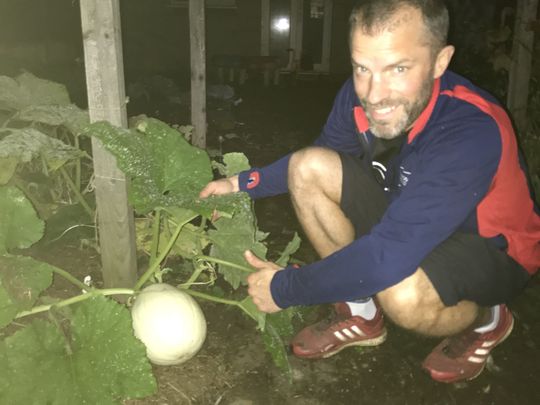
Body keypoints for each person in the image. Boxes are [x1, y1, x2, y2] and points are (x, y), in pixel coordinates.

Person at [200, 0, 540, 383]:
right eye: (363, 68)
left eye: (398, 68)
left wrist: (285, 289)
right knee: (309, 167)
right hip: (408, 218)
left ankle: (486, 316)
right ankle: (360, 311)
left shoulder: (470, 130)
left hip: (490, 246)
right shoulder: (358, 96)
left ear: (440, 62)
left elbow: (387, 257)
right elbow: (321, 156)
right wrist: (239, 184)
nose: (375, 94)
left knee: (402, 293)